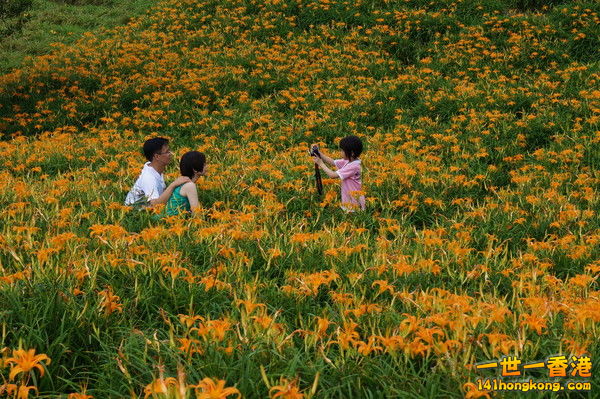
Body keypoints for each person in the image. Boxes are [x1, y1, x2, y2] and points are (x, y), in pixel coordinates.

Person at [124, 137, 191, 207]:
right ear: (157, 156)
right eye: (167, 152)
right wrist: (173, 185)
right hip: (134, 212)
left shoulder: (155, 170)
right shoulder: (148, 178)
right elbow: (155, 205)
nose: (171, 154)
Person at [311, 135, 366, 212]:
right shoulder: (350, 161)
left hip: (354, 203)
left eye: (342, 151)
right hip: (349, 200)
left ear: (352, 153)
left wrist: (321, 164)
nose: (340, 152)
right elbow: (333, 162)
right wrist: (319, 153)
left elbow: (332, 175)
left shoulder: (354, 166)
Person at [163, 151, 206, 216]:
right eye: (204, 164)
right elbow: (196, 213)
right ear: (195, 169)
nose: (207, 167)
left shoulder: (183, 183)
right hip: (174, 222)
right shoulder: (189, 185)